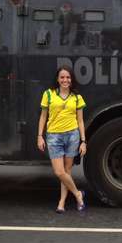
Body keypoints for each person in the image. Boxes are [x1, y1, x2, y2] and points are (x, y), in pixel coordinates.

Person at [37, 66, 87, 213]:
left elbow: (80, 121)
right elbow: (43, 116)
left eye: (68, 77)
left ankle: (61, 202)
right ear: (58, 79)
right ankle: (78, 194)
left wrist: (83, 141)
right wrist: (40, 136)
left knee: (67, 171)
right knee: (59, 172)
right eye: (62, 77)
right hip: (53, 136)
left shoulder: (77, 98)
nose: (65, 80)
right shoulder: (49, 94)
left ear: (71, 80)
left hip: (72, 135)